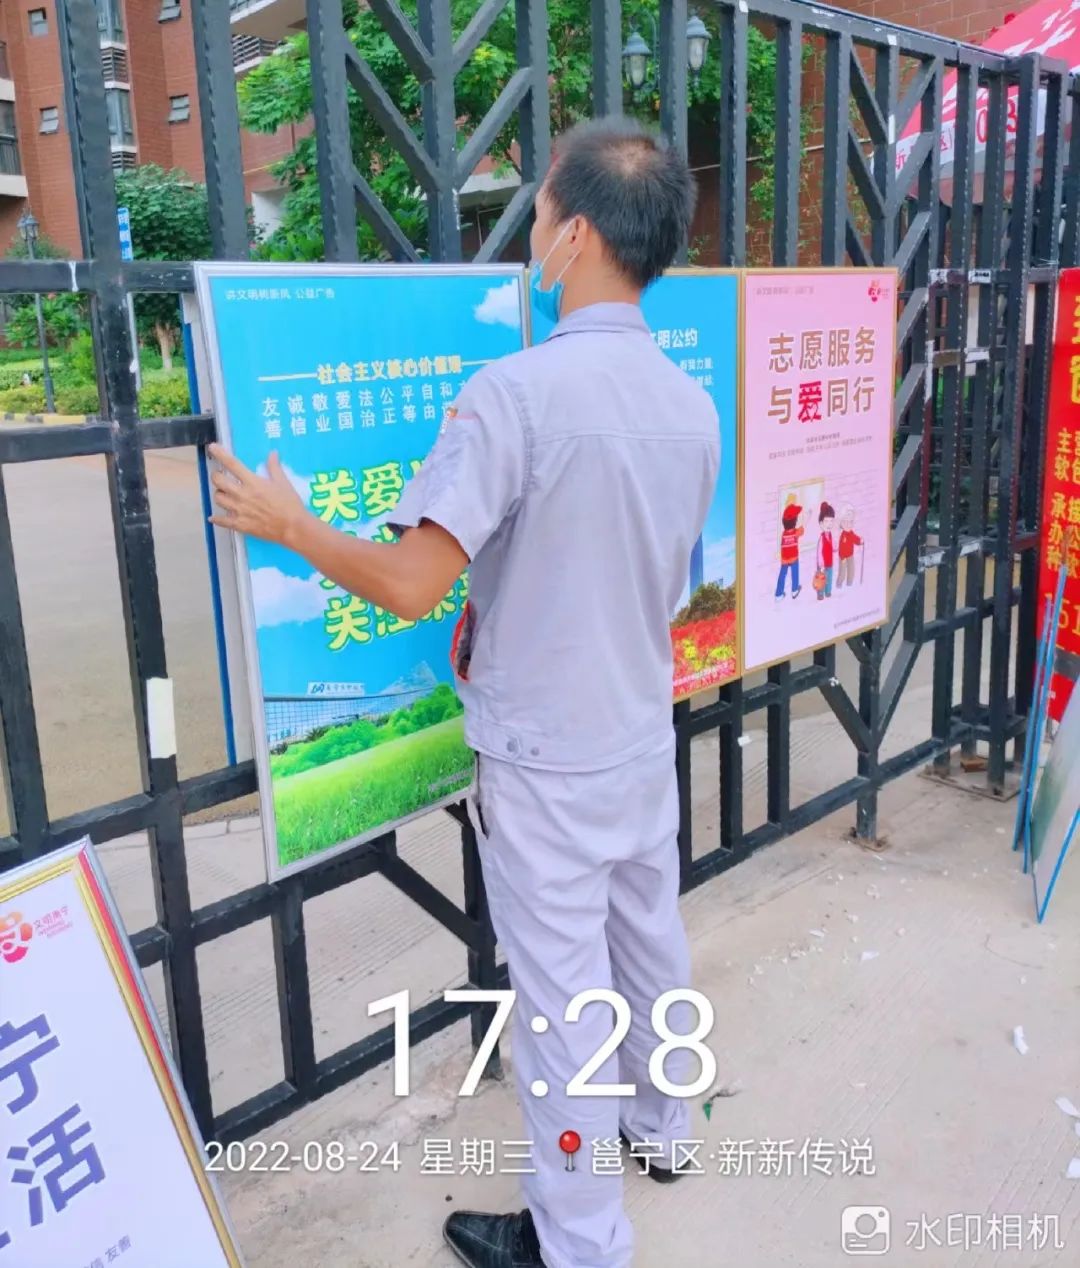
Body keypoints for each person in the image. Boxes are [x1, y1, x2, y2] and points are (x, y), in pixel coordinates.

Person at [207, 117, 719, 1268]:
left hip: (544, 756)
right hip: (639, 730)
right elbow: (641, 567)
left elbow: (408, 583)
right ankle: (664, 1126)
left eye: (540, 212)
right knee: (650, 941)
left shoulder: (515, 393)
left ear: (577, 234)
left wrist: (291, 523)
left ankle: (580, 1240)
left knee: (563, 1007)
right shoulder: (689, 404)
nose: (532, 233)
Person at [774, 495, 804, 600]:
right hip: (794, 558)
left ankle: (778, 594)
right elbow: (803, 528)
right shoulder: (796, 532)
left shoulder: (783, 534)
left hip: (784, 559)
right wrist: (808, 516)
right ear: (795, 521)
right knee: (795, 573)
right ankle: (794, 591)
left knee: (782, 574)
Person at [836, 504, 863, 588]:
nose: (848, 524)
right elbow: (841, 548)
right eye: (846, 522)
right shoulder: (843, 536)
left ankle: (849, 584)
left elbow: (855, 538)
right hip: (843, 557)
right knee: (842, 572)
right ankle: (839, 585)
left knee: (851, 570)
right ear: (841, 523)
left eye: (851, 521)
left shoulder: (851, 533)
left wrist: (860, 541)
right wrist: (842, 557)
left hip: (850, 555)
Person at [816, 500, 836, 600]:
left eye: (831, 521)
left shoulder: (831, 536)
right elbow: (819, 552)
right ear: (821, 523)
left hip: (830, 563)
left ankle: (828, 592)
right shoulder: (822, 538)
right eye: (827, 521)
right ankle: (820, 593)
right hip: (823, 565)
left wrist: (836, 548)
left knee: (829, 578)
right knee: (822, 579)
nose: (829, 524)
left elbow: (833, 547)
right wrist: (821, 564)